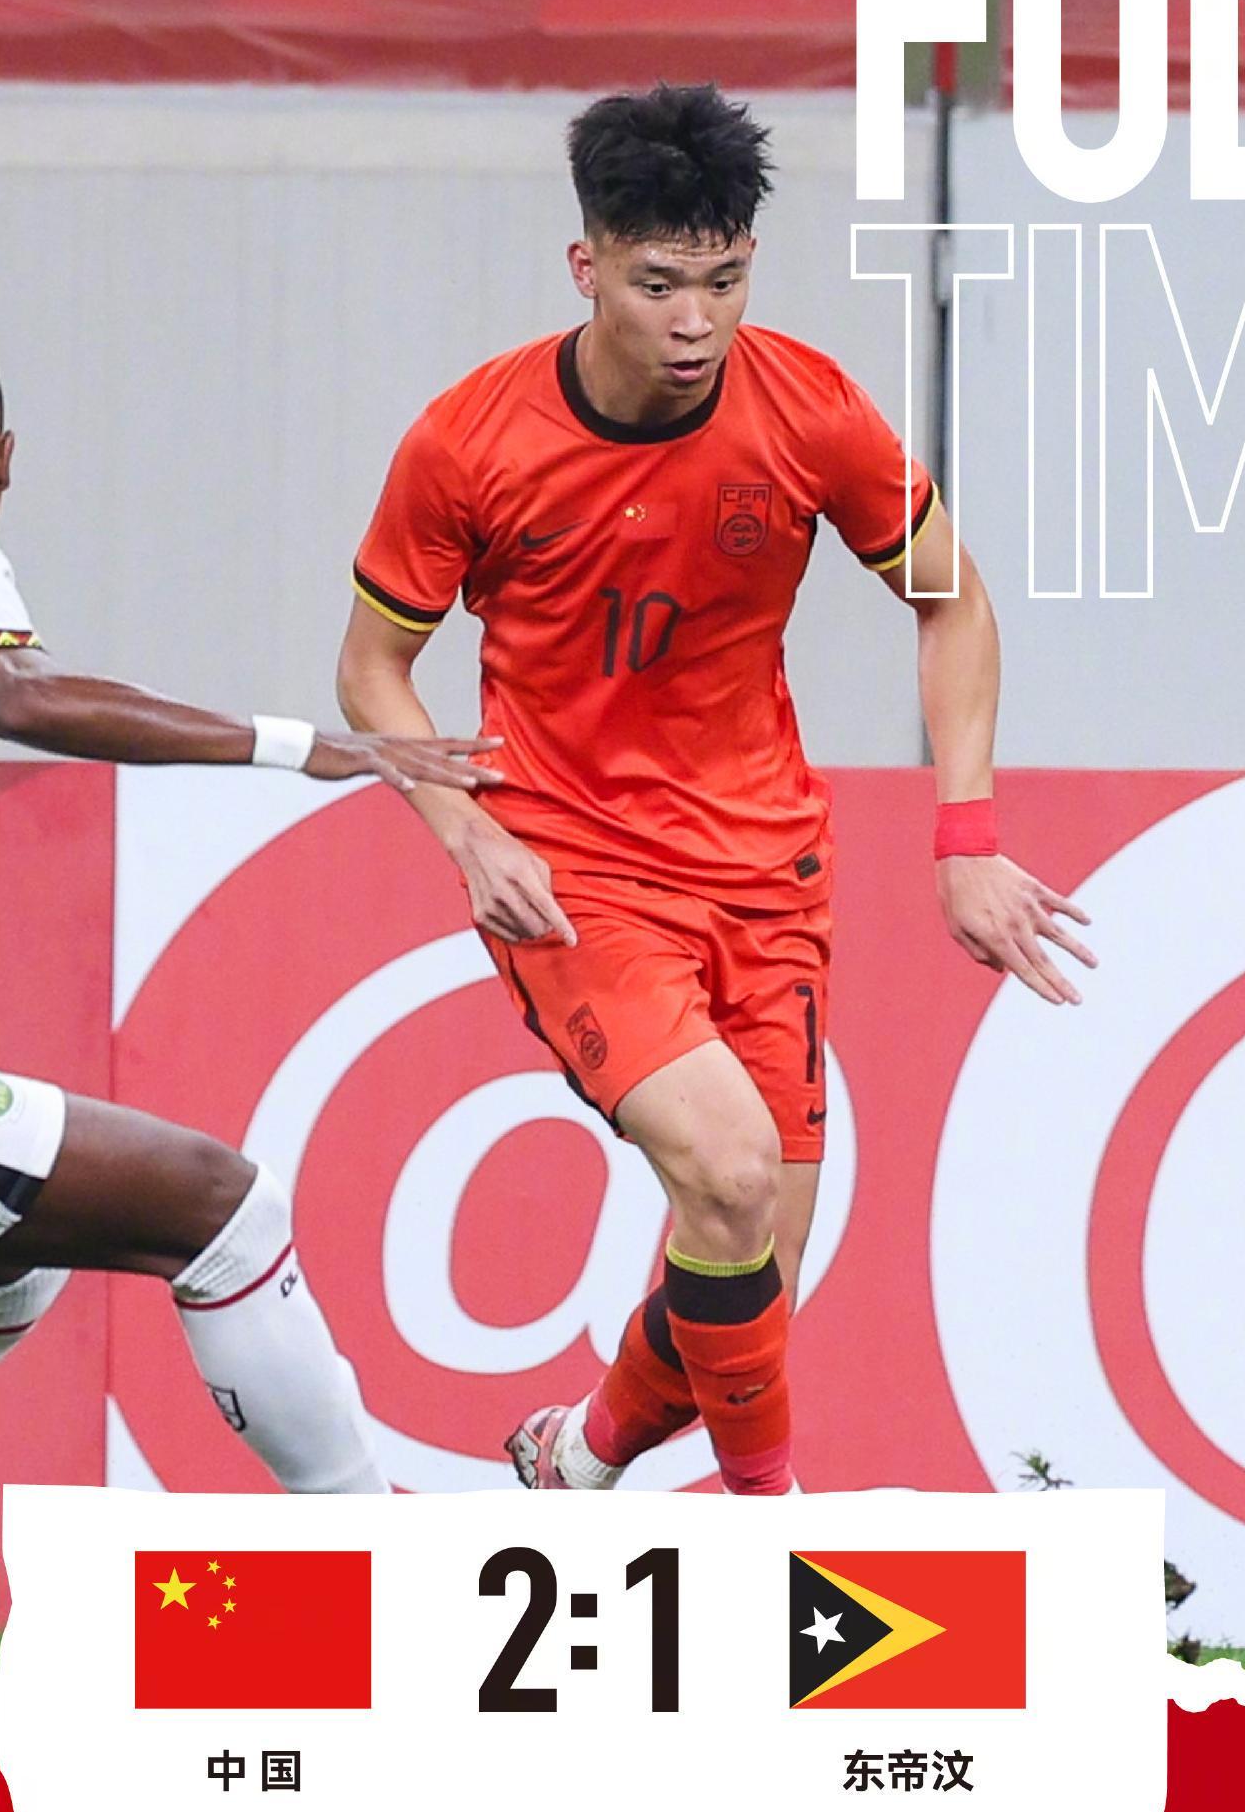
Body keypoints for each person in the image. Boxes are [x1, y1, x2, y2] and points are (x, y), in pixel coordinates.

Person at [336, 84, 1094, 1498]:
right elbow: (373, 671)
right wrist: (466, 831)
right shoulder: (469, 442)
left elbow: (953, 599)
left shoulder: (808, 410)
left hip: (766, 870)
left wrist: (966, 833)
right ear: (586, 267)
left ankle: (579, 1454)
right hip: (572, 871)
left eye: (725, 280)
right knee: (733, 1175)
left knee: (749, 1276)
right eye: (658, 285)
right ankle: (767, 1527)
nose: (695, 321)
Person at [0, 311, 499, 1595]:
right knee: (221, 1207)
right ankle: (395, 1585)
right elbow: (12, 692)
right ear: (2, 460)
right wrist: (303, 744)